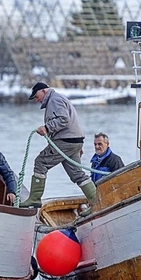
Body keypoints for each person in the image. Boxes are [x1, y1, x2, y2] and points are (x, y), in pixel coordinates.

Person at [18, 82, 96, 213]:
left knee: (40, 162)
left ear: (43, 91)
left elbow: (63, 119)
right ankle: (96, 202)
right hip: (74, 141)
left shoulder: (54, 100)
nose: (36, 99)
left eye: (36, 96)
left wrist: (47, 127)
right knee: (77, 174)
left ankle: (35, 199)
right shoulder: (59, 98)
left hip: (65, 141)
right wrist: (76, 146)